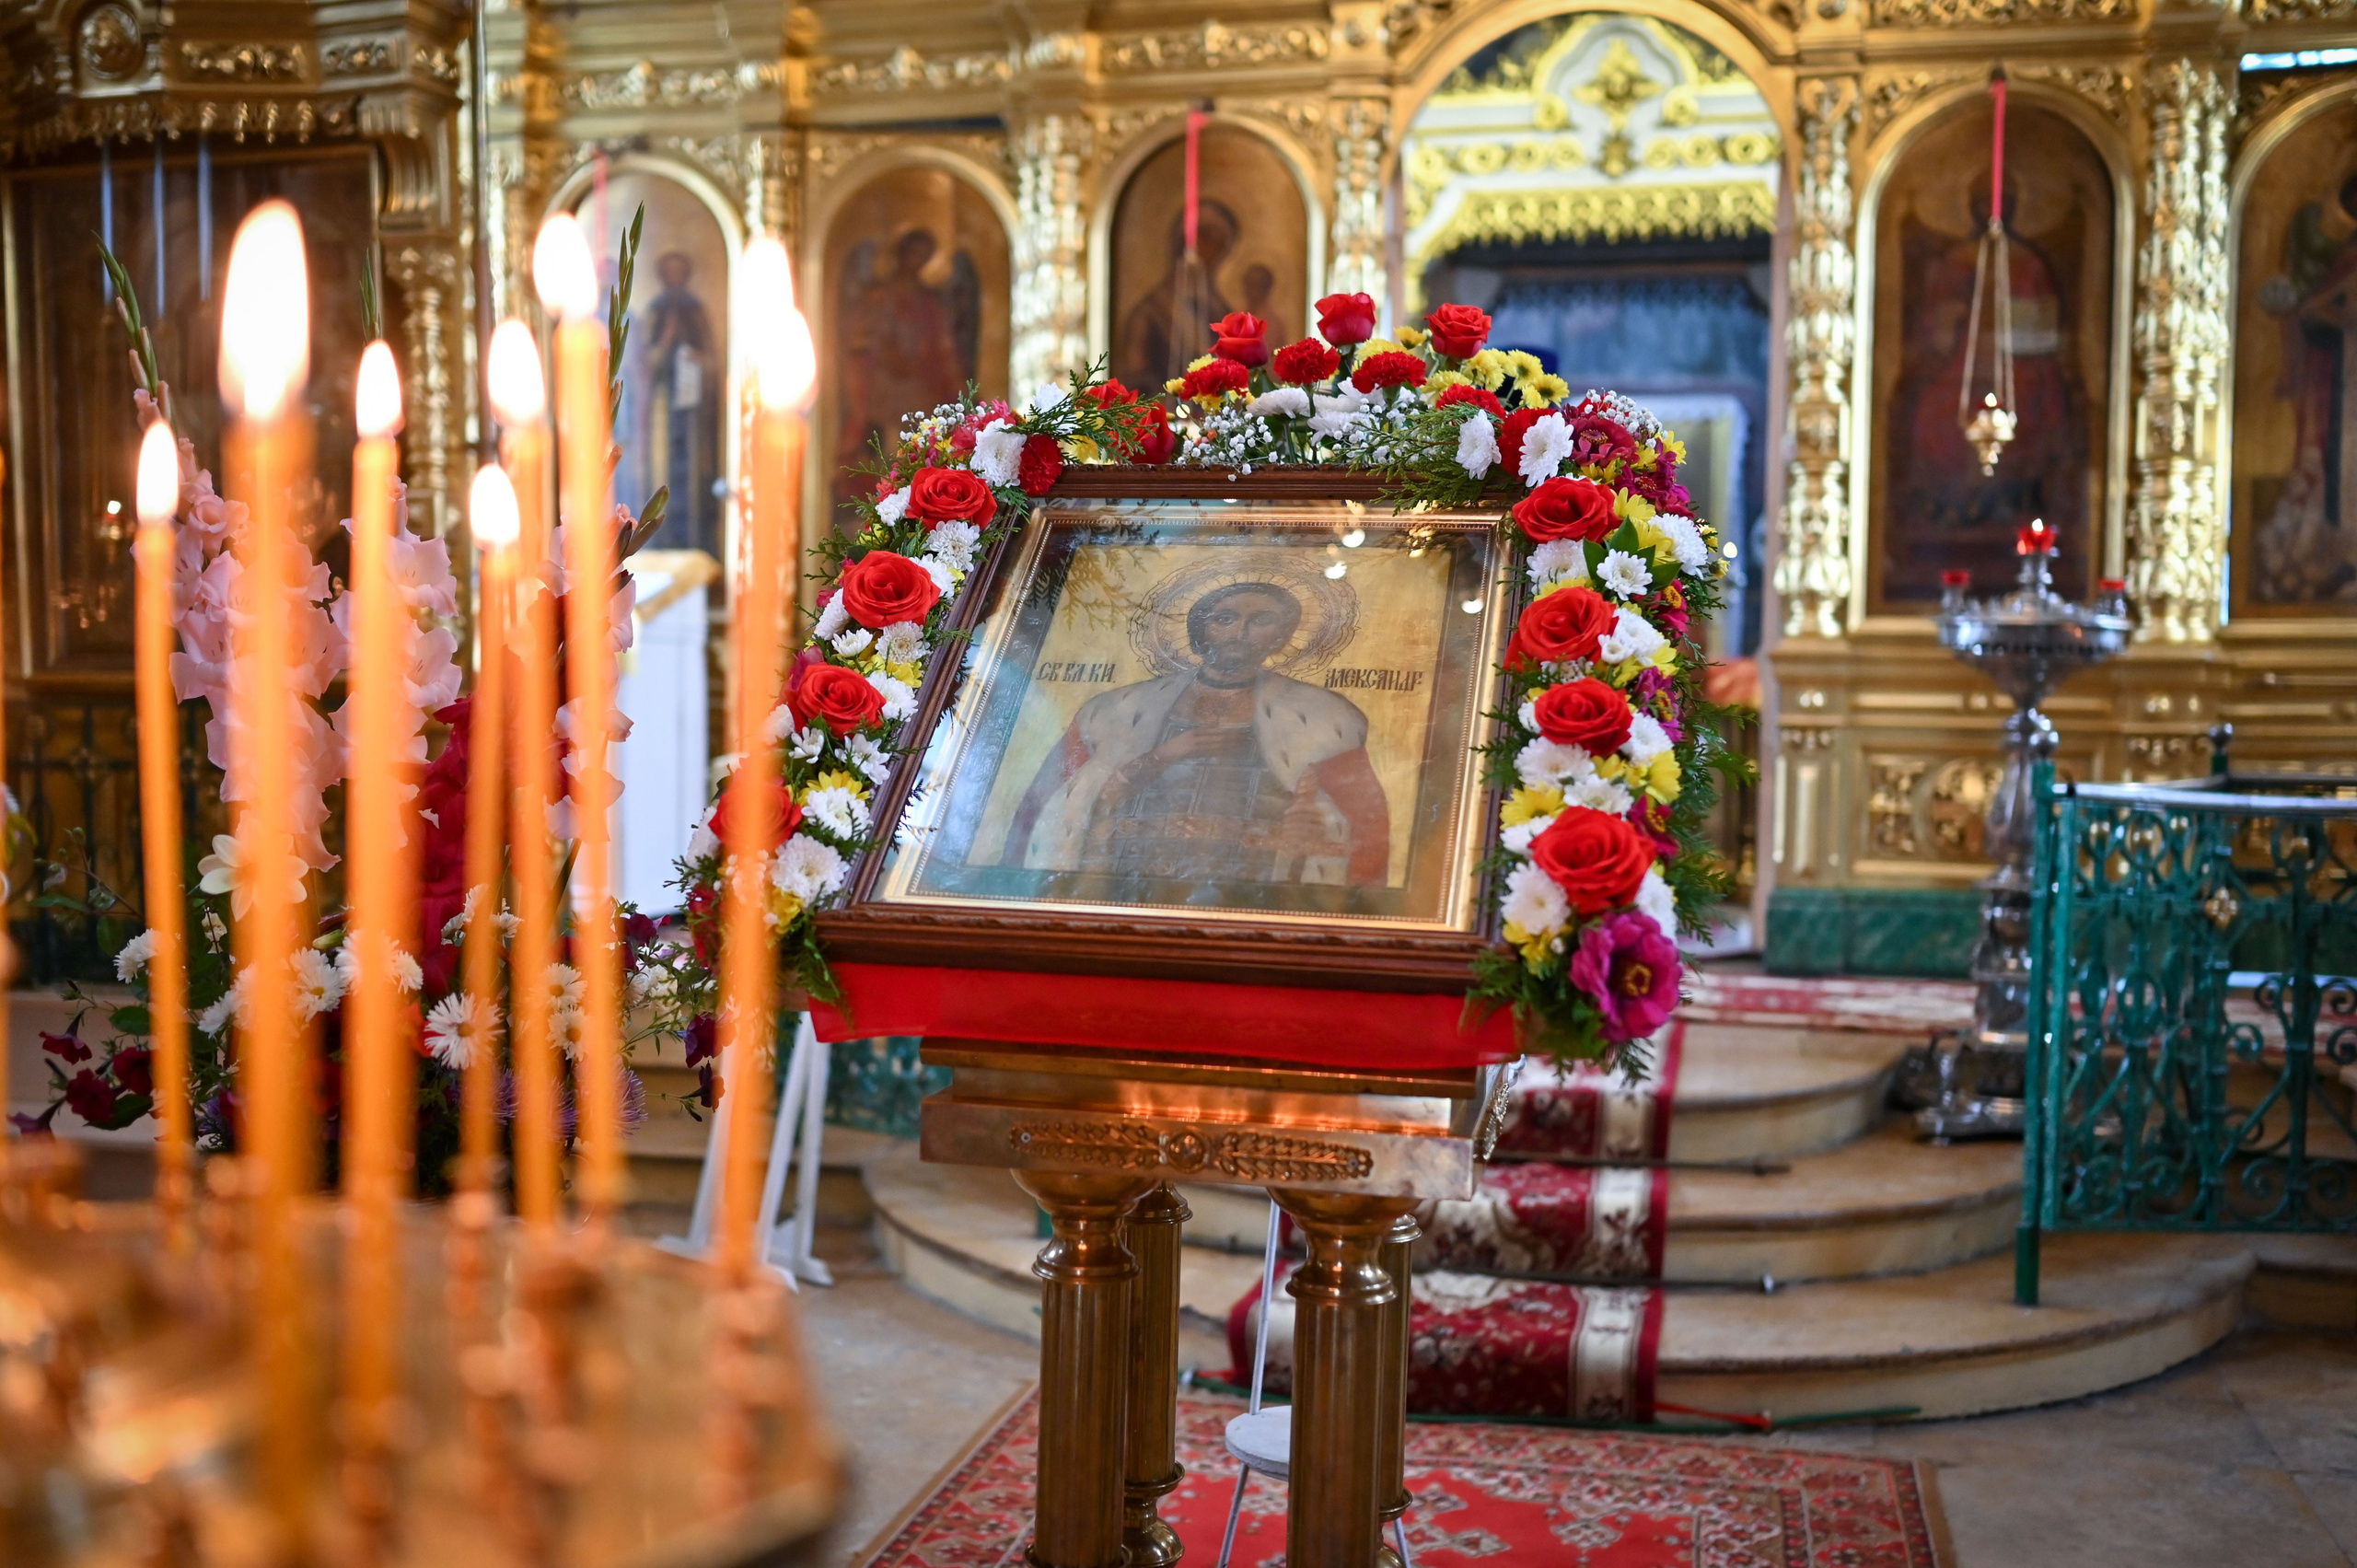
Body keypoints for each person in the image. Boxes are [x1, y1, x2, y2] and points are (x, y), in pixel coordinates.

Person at [1007, 582, 1391, 889]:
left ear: (1283, 634)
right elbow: (1054, 801)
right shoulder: (1116, 710)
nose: (1239, 632)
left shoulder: (1323, 717)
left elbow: (1360, 820)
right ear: (1200, 629)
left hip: (1254, 883)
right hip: (1128, 876)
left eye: (1260, 620)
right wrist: (1161, 757)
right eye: (1224, 619)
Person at [633, 251, 723, 555]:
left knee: (693, 474)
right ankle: (661, 541)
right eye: (668, 272)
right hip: (662, 407)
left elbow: (712, 357)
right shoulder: (656, 310)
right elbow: (644, 361)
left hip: (693, 411)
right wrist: (665, 343)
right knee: (662, 471)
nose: (674, 278)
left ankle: (695, 543)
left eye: (678, 271)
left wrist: (699, 360)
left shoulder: (695, 310)